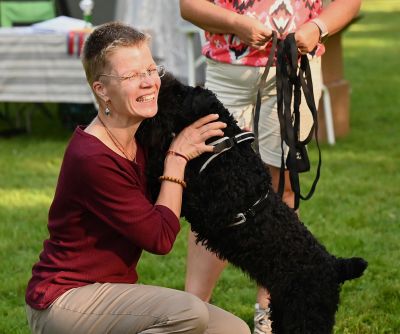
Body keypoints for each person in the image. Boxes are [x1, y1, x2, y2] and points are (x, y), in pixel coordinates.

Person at [25, 21, 251, 334]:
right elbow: (159, 238)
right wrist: (177, 158)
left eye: (150, 70)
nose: (148, 82)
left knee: (232, 330)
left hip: (115, 293)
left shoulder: (144, 134)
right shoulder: (92, 158)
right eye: (132, 75)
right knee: (189, 313)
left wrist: (234, 148)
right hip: (65, 300)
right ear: (101, 90)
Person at [179, 1, 362, 333]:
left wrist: (317, 27)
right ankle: (193, 308)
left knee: (283, 188)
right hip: (228, 68)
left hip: (294, 66)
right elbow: (189, 5)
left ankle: (271, 307)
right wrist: (237, 23)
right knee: (212, 197)